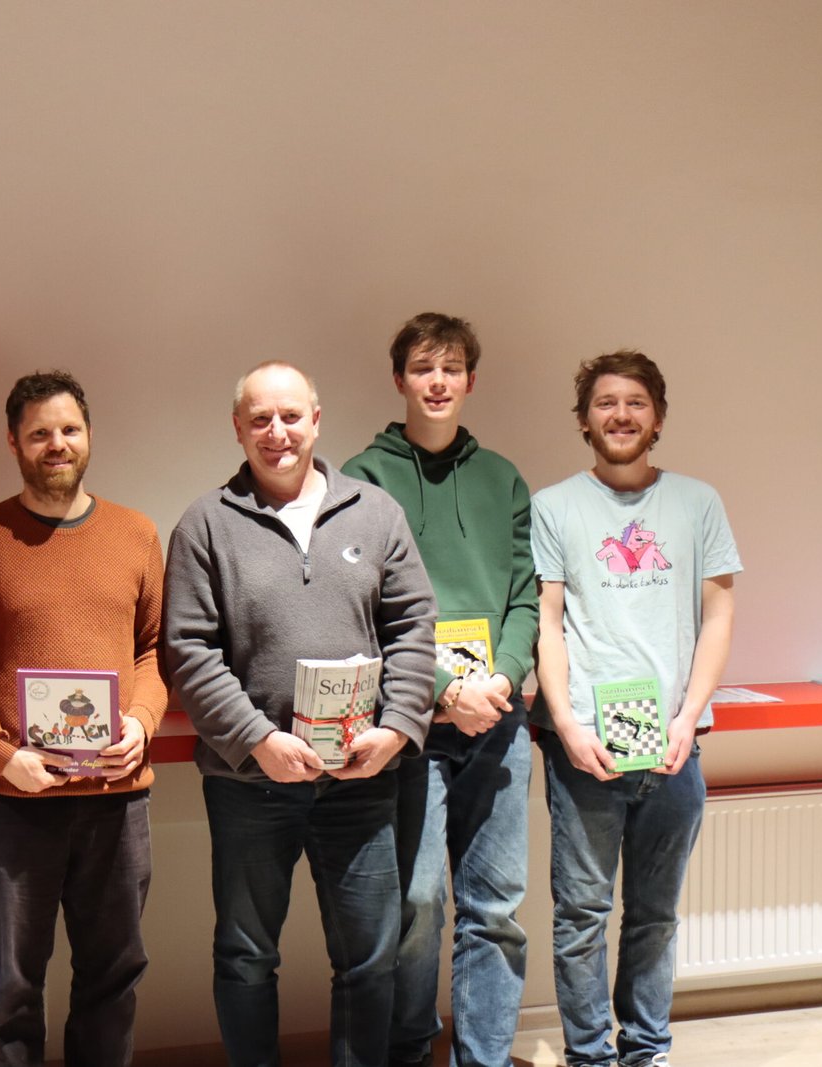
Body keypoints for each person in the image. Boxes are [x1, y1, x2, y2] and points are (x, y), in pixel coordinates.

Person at [163, 360, 438, 1067]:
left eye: (291, 416)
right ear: (238, 428)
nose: (277, 432)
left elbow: (414, 628)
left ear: (316, 419)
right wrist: (258, 740)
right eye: (260, 419)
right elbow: (188, 649)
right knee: (246, 954)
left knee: (370, 956)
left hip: (360, 779)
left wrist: (397, 728)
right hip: (250, 785)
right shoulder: (205, 525)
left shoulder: (376, 512)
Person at [0, 370, 166, 1066]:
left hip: (116, 800)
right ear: (14, 443)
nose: (56, 444)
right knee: (12, 989)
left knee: (113, 978)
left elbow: (153, 650)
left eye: (69, 429)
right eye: (39, 433)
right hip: (15, 803)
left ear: (89, 435)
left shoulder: (135, 534)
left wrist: (142, 723)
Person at [531, 351, 739, 1067]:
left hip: (676, 746)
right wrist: (565, 724)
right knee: (581, 916)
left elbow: (718, 615)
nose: (621, 415)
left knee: (654, 915)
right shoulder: (554, 506)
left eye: (636, 402)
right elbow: (547, 622)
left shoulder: (698, 503)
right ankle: (590, 1057)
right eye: (606, 403)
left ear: (658, 418)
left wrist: (688, 716)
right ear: (584, 420)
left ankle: (647, 1051)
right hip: (584, 747)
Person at [342, 313, 539, 1067]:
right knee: (418, 903)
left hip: (499, 721)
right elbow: (362, 610)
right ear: (399, 379)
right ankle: (410, 1051)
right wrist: (445, 688)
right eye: (423, 368)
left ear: (470, 381)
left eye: (451, 369)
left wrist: (502, 678)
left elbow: (525, 598)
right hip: (411, 725)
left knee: (497, 909)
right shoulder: (363, 478)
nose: (437, 382)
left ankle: (483, 1057)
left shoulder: (503, 478)